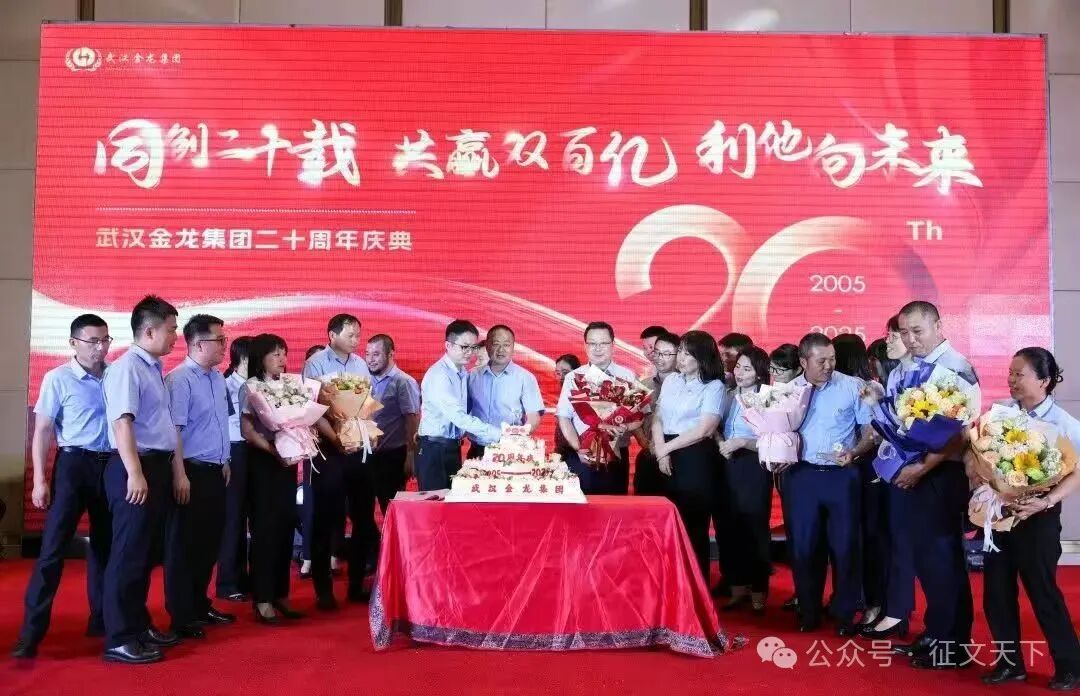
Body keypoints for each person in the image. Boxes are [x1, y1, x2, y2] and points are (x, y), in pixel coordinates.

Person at [976, 348, 1080, 690]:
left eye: (1019, 374)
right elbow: (981, 456)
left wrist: (1046, 501)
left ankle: (1070, 666)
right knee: (996, 593)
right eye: (1010, 373)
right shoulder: (1001, 414)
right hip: (1001, 515)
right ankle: (1010, 664)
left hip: (1039, 517)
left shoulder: (1063, 423)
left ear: (1044, 381)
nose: (1011, 380)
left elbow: (1076, 472)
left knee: (1043, 592)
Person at [13, 315, 113, 659]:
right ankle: (30, 634)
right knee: (53, 549)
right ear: (73, 343)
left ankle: (102, 619)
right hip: (73, 465)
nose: (100, 348)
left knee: (105, 546)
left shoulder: (116, 376)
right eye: (93, 341)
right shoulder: (57, 378)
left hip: (111, 465)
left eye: (105, 340)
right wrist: (40, 480)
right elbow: (43, 430)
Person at [100, 295, 191, 664]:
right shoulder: (127, 369)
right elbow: (122, 423)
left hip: (155, 466)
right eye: (171, 330)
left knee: (145, 553)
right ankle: (119, 637)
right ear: (149, 331)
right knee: (127, 554)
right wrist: (135, 473)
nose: (175, 337)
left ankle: (138, 625)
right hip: (134, 468)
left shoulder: (152, 367)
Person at [888, 301, 978, 669]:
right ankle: (936, 633)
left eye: (917, 331)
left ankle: (953, 645)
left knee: (944, 560)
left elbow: (959, 432)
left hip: (941, 474)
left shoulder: (955, 368)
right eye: (904, 332)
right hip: (914, 472)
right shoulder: (909, 367)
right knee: (925, 560)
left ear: (938, 326)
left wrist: (922, 468)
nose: (910, 339)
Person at [784, 332, 876, 636]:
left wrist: (856, 451)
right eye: (821, 360)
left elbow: (870, 430)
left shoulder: (852, 386)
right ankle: (808, 611)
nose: (828, 366)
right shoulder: (787, 391)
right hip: (801, 476)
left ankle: (845, 613)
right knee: (804, 546)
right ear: (803, 361)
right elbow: (775, 432)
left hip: (842, 476)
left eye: (832, 359)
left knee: (846, 546)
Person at [165, 315, 235, 628]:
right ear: (197, 344)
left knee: (209, 543)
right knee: (185, 546)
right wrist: (179, 474)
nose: (224, 346)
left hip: (216, 471)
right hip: (190, 472)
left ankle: (199, 605)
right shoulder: (179, 380)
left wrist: (225, 460)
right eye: (219, 340)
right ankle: (181, 616)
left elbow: (218, 425)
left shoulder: (218, 378)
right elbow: (174, 432)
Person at [303, 314, 373, 608]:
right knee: (325, 519)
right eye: (350, 335)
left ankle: (356, 585)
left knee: (363, 517)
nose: (356, 340)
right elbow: (314, 409)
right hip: (328, 449)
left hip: (356, 446)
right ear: (332, 335)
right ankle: (323, 591)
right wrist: (336, 438)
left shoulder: (360, 364)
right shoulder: (316, 363)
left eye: (358, 335)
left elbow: (366, 403)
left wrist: (366, 433)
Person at [241, 333, 305, 625]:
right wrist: (273, 450)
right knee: (265, 530)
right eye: (275, 354)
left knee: (285, 525)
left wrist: (302, 440)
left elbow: (299, 420)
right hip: (263, 461)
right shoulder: (250, 387)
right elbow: (248, 430)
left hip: (287, 462)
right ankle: (263, 598)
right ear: (260, 358)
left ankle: (281, 594)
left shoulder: (290, 384)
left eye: (283, 353)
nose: (282, 359)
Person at [651, 331, 724, 580]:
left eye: (687, 353)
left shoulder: (714, 386)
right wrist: (661, 451)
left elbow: (704, 429)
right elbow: (658, 418)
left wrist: (666, 449)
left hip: (695, 456)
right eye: (680, 351)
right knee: (665, 523)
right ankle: (669, 582)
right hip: (665, 452)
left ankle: (696, 586)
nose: (680, 358)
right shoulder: (671, 380)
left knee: (693, 526)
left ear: (702, 357)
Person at [832, 333, 887, 632]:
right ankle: (850, 598)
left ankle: (873, 601)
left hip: (867, 470)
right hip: (849, 470)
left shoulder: (866, 388)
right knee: (849, 539)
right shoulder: (832, 388)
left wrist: (853, 452)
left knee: (869, 538)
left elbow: (873, 432)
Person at [557, 321, 644, 495]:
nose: (597, 348)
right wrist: (579, 448)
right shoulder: (573, 377)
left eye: (603, 343)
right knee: (582, 506)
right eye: (592, 343)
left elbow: (639, 417)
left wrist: (624, 427)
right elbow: (564, 417)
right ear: (585, 345)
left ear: (613, 345)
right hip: (582, 453)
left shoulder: (627, 375)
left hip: (616, 454)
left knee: (615, 507)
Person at [717, 345, 772, 614]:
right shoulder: (728, 395)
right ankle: (737, 587)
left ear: (759, 373)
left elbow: (774, 438)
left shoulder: (768, 398)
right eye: (738, 366)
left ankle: (759, 589)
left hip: (754, 465)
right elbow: (715, 427)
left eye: (747, 369)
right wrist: (721, 442)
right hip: (727, 463)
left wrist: (741, 442)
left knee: (754, 527)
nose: (739, 372)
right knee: (729, 527)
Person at [417, 320, 502, 490]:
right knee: (435, 502)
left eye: (473, 347)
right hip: (434, 449)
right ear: (448, 345)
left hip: (452, 448)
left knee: (453, 501)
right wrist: (498, 434)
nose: (470, 352)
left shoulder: (462, 372)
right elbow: (458, 417)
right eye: (464, 347)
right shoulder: (439, 375)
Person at [466, 325, 543, 458]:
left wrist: (519, 436)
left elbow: (533, 417)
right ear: (487, 346)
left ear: (513, 347)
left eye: (506, 345)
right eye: (496, 344)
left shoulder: (525, 378)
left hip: (510, 451)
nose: (501, 350)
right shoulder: (472, 376)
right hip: (477, 449)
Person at [364, 334, 420, 514]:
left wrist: (411, 455)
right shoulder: (364, 379)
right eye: (367, 354)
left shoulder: (404, 381)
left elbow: (412, 419)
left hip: (392, 457)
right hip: (366, 455)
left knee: (391, 509)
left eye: (376, 354)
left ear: (390, 354)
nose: (370, 359)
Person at [217, 336, 252, 603]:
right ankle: (228, 582)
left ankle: (245, 576)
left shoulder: (261, 385)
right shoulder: (225, 385)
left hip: (257, 452)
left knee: (253, 517)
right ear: (242, 359)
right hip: (234, 452)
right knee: (233, 519)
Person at [769, 342, 803, 611]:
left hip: (802, 469)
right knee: (793, 530)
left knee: (804, 533)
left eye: (780, 370)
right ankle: (799, 590)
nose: (775, 375)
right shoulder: (772, 393)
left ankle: (806, 592)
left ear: (797, 369)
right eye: (772, 369)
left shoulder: (803, 393)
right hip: (782, 469)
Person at [634, 330, 679, 496]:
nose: (653, 353)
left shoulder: (689, 384)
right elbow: (634, 418)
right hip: (649, 454)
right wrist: (646, 444)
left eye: (655, 348)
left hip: (679, 455)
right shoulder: (643, 385)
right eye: (646, 348)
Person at [552, 354, 581, 457]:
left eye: (565, 372)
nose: (561, 377)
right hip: (563, 450)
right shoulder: (562, 394)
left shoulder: (583, 393)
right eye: (558, 373)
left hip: (578, 450)